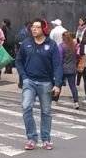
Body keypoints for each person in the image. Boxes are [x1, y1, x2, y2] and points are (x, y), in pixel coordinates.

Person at [15, 18, 63, 150]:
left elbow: (58, 65)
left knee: (46, 111)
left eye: (37, 27)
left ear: (44, 29)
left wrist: (57, 84)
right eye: (32, 27)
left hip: (46, 83)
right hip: (29, 81)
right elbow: (18, 61)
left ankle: (46, 139)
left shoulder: (51, 45)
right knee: (26, 107)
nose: (33, 29)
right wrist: (24, 77)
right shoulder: (26, 43)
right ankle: (31, 138)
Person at [59, 32, 80, 109]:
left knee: (58, 84)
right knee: (73, 86)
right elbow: (78, 56)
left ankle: (54, 99)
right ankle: (76, 102)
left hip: (63, 68)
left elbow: (60, 58)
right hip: (73, 69)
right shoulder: (74, 46)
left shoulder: (61, 46)